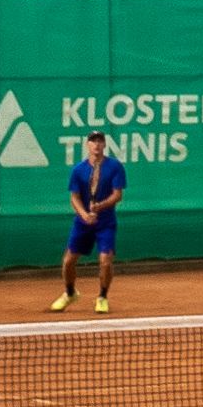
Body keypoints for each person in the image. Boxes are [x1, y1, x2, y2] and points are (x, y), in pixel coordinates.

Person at [50, 129, 130, 314]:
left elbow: (117, 195)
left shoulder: (115, 167)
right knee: (68, 261)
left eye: (100, 141)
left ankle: (102, 297)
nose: (96, 144)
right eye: (93, 141)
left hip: (106, 223)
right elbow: (74, 198)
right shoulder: (78, 170)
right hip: (82, 223)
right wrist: (84, 214)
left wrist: (100, 206)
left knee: (105, 260)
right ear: (87, 144)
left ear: (104, 144)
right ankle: (70, 293)